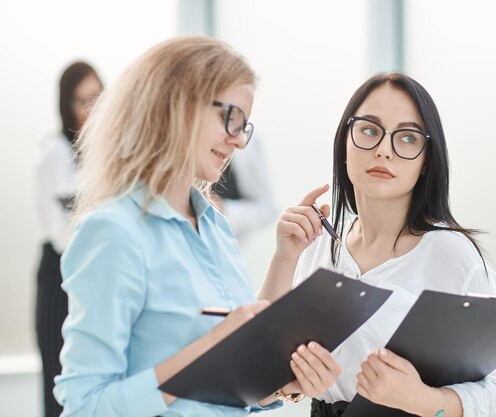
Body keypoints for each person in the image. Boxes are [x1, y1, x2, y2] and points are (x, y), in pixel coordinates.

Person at [54, 36, 340, 417]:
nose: (238, 141)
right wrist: (206, 354)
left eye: (244, 126)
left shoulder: (214, 224)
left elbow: (232, 382)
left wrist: (286, 384)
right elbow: (85, 406)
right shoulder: (114, 232)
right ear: (177, 106)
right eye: (231, 118)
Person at [259, 72, 496, 417]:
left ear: (426, 162)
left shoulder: (453, 254)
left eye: (407, 138)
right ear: (344, 144)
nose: (383, 150)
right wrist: (284, 258)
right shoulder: (319, 244)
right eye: (368, 130)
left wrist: (423, 399)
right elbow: (256, 372)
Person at [33, 61, 103, 417]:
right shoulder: (55, 153)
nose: (91, 109)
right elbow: (60, 232)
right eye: (82, 100)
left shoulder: (105, 153)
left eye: (97, 98)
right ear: (67, 106)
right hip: (61, 273)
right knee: (60, 383)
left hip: (94, 271)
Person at [211, 133, 279, 243]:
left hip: (224, 244)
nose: (241, 142)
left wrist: (221, 210)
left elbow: (269, 208)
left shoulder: (250, 141)